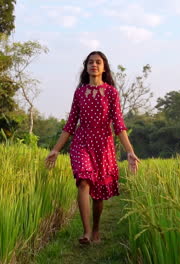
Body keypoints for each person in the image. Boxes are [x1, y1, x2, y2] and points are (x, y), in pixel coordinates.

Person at [44, 51, 140, 245]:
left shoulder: (112, 93)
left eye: (98, 62)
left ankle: (96, 227)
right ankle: (87, 232)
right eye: (90, 62)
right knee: (83, 181)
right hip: (82, 142)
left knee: (98, 193)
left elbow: (119, 125)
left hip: (103, 145)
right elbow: (71, 124)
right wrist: (56, 149)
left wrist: (130, 151)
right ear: (86, 67)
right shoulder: (79, 93)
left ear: (104, 68)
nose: (94, 65)